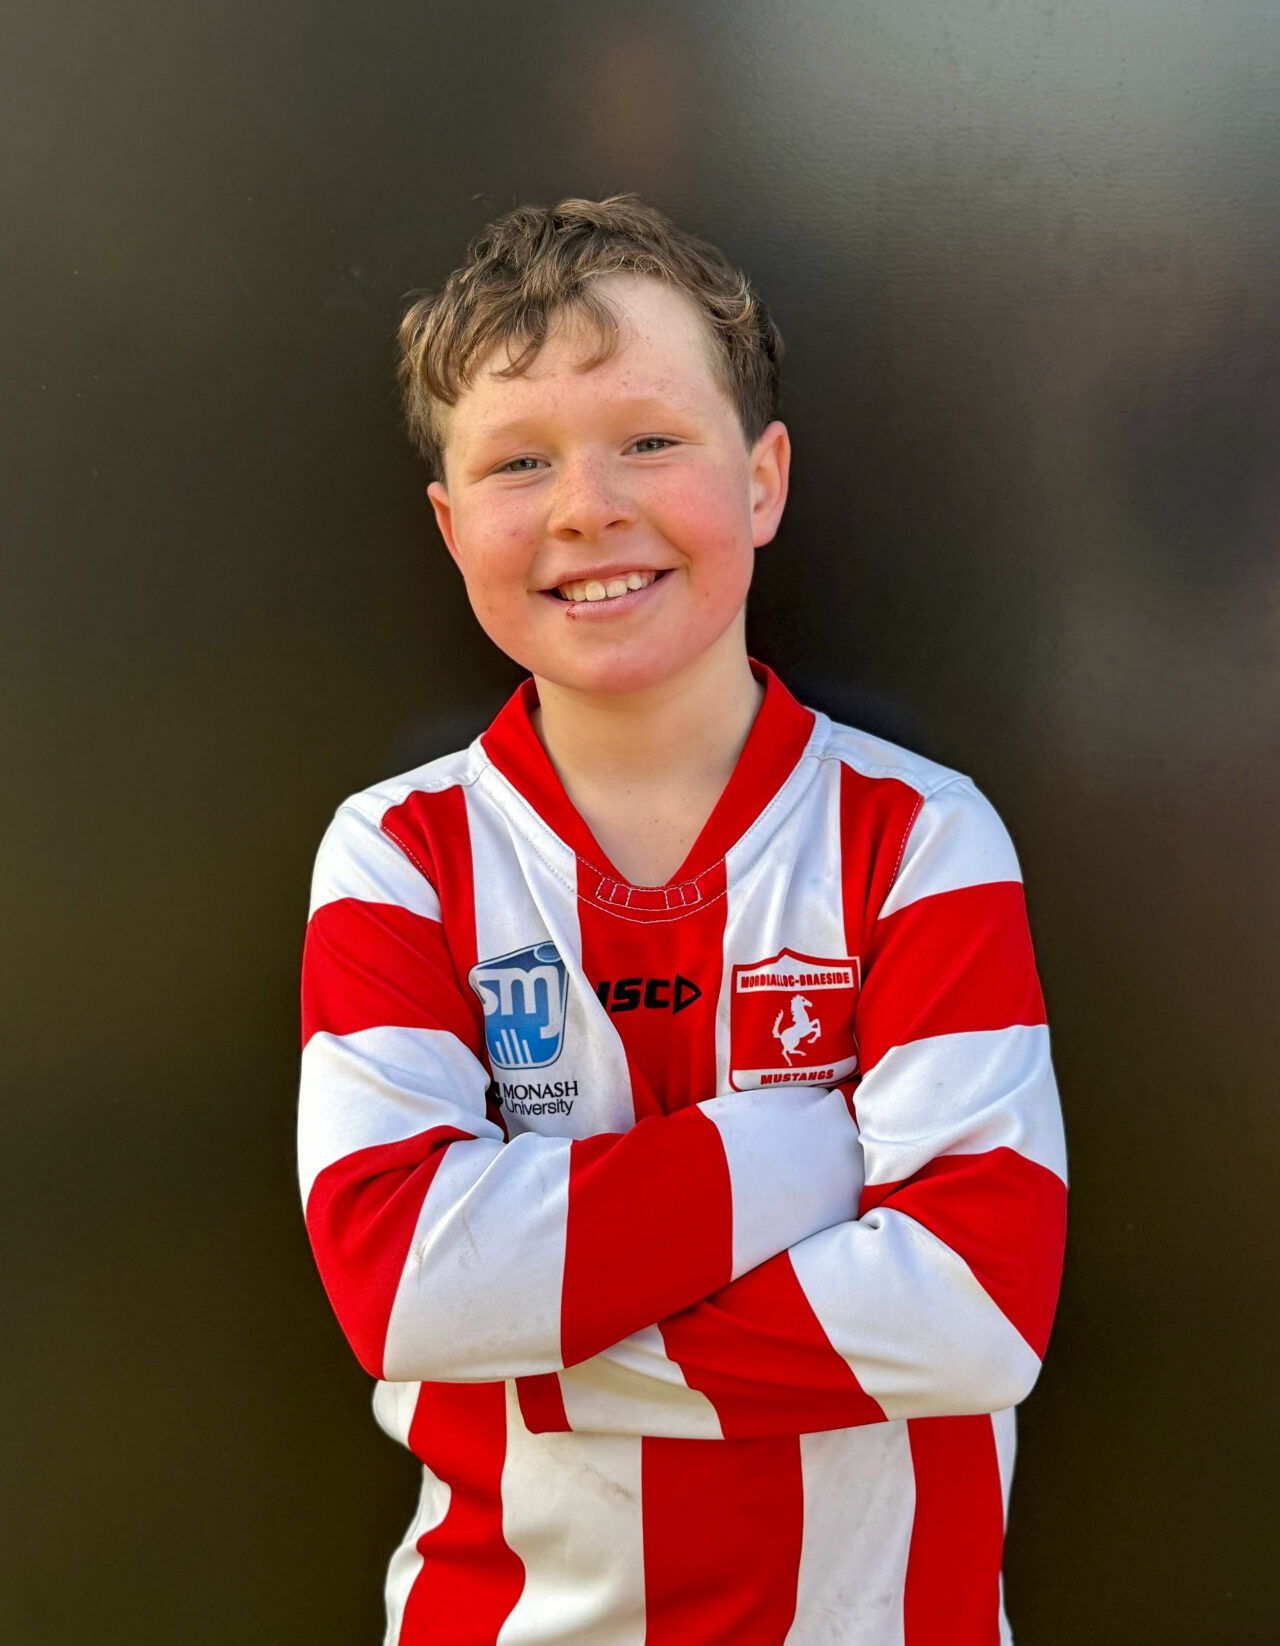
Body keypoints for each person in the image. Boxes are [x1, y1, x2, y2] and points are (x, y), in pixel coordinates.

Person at [298, 195, 1066, 1646]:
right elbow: (399, 1289)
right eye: (519, 460)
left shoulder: (922, 838)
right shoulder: (397, 858)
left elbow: (977, 1308)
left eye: (650, 439)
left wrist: (523, 1339)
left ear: (763, 480)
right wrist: (801, 1149)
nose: (588, 505)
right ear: (451, 527)